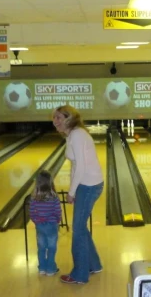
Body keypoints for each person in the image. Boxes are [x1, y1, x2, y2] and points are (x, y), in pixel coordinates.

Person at [52, 105, 104, 284]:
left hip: (88, 185)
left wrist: (72, 192)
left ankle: (80, 274)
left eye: (59, 117)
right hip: (86, 184)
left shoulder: (77, 135)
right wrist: (72, 188)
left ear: (69, 118)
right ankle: (94, 264)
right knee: (81, 227)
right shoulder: (72, 135)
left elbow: (81, 166)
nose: (55, 121)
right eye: (54, 118)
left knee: (78, 229)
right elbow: (75, 166)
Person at [29, 170, 63, 276]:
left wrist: (37, 221)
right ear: (50, 183)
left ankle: (42, 268)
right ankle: (51, 269)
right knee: (52, 248)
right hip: (52, 225)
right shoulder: (54, 197)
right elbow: (57, 211)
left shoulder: (34, 198)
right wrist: (58, 219)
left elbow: (31, 213)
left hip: (40, 226)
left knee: (41, 247)